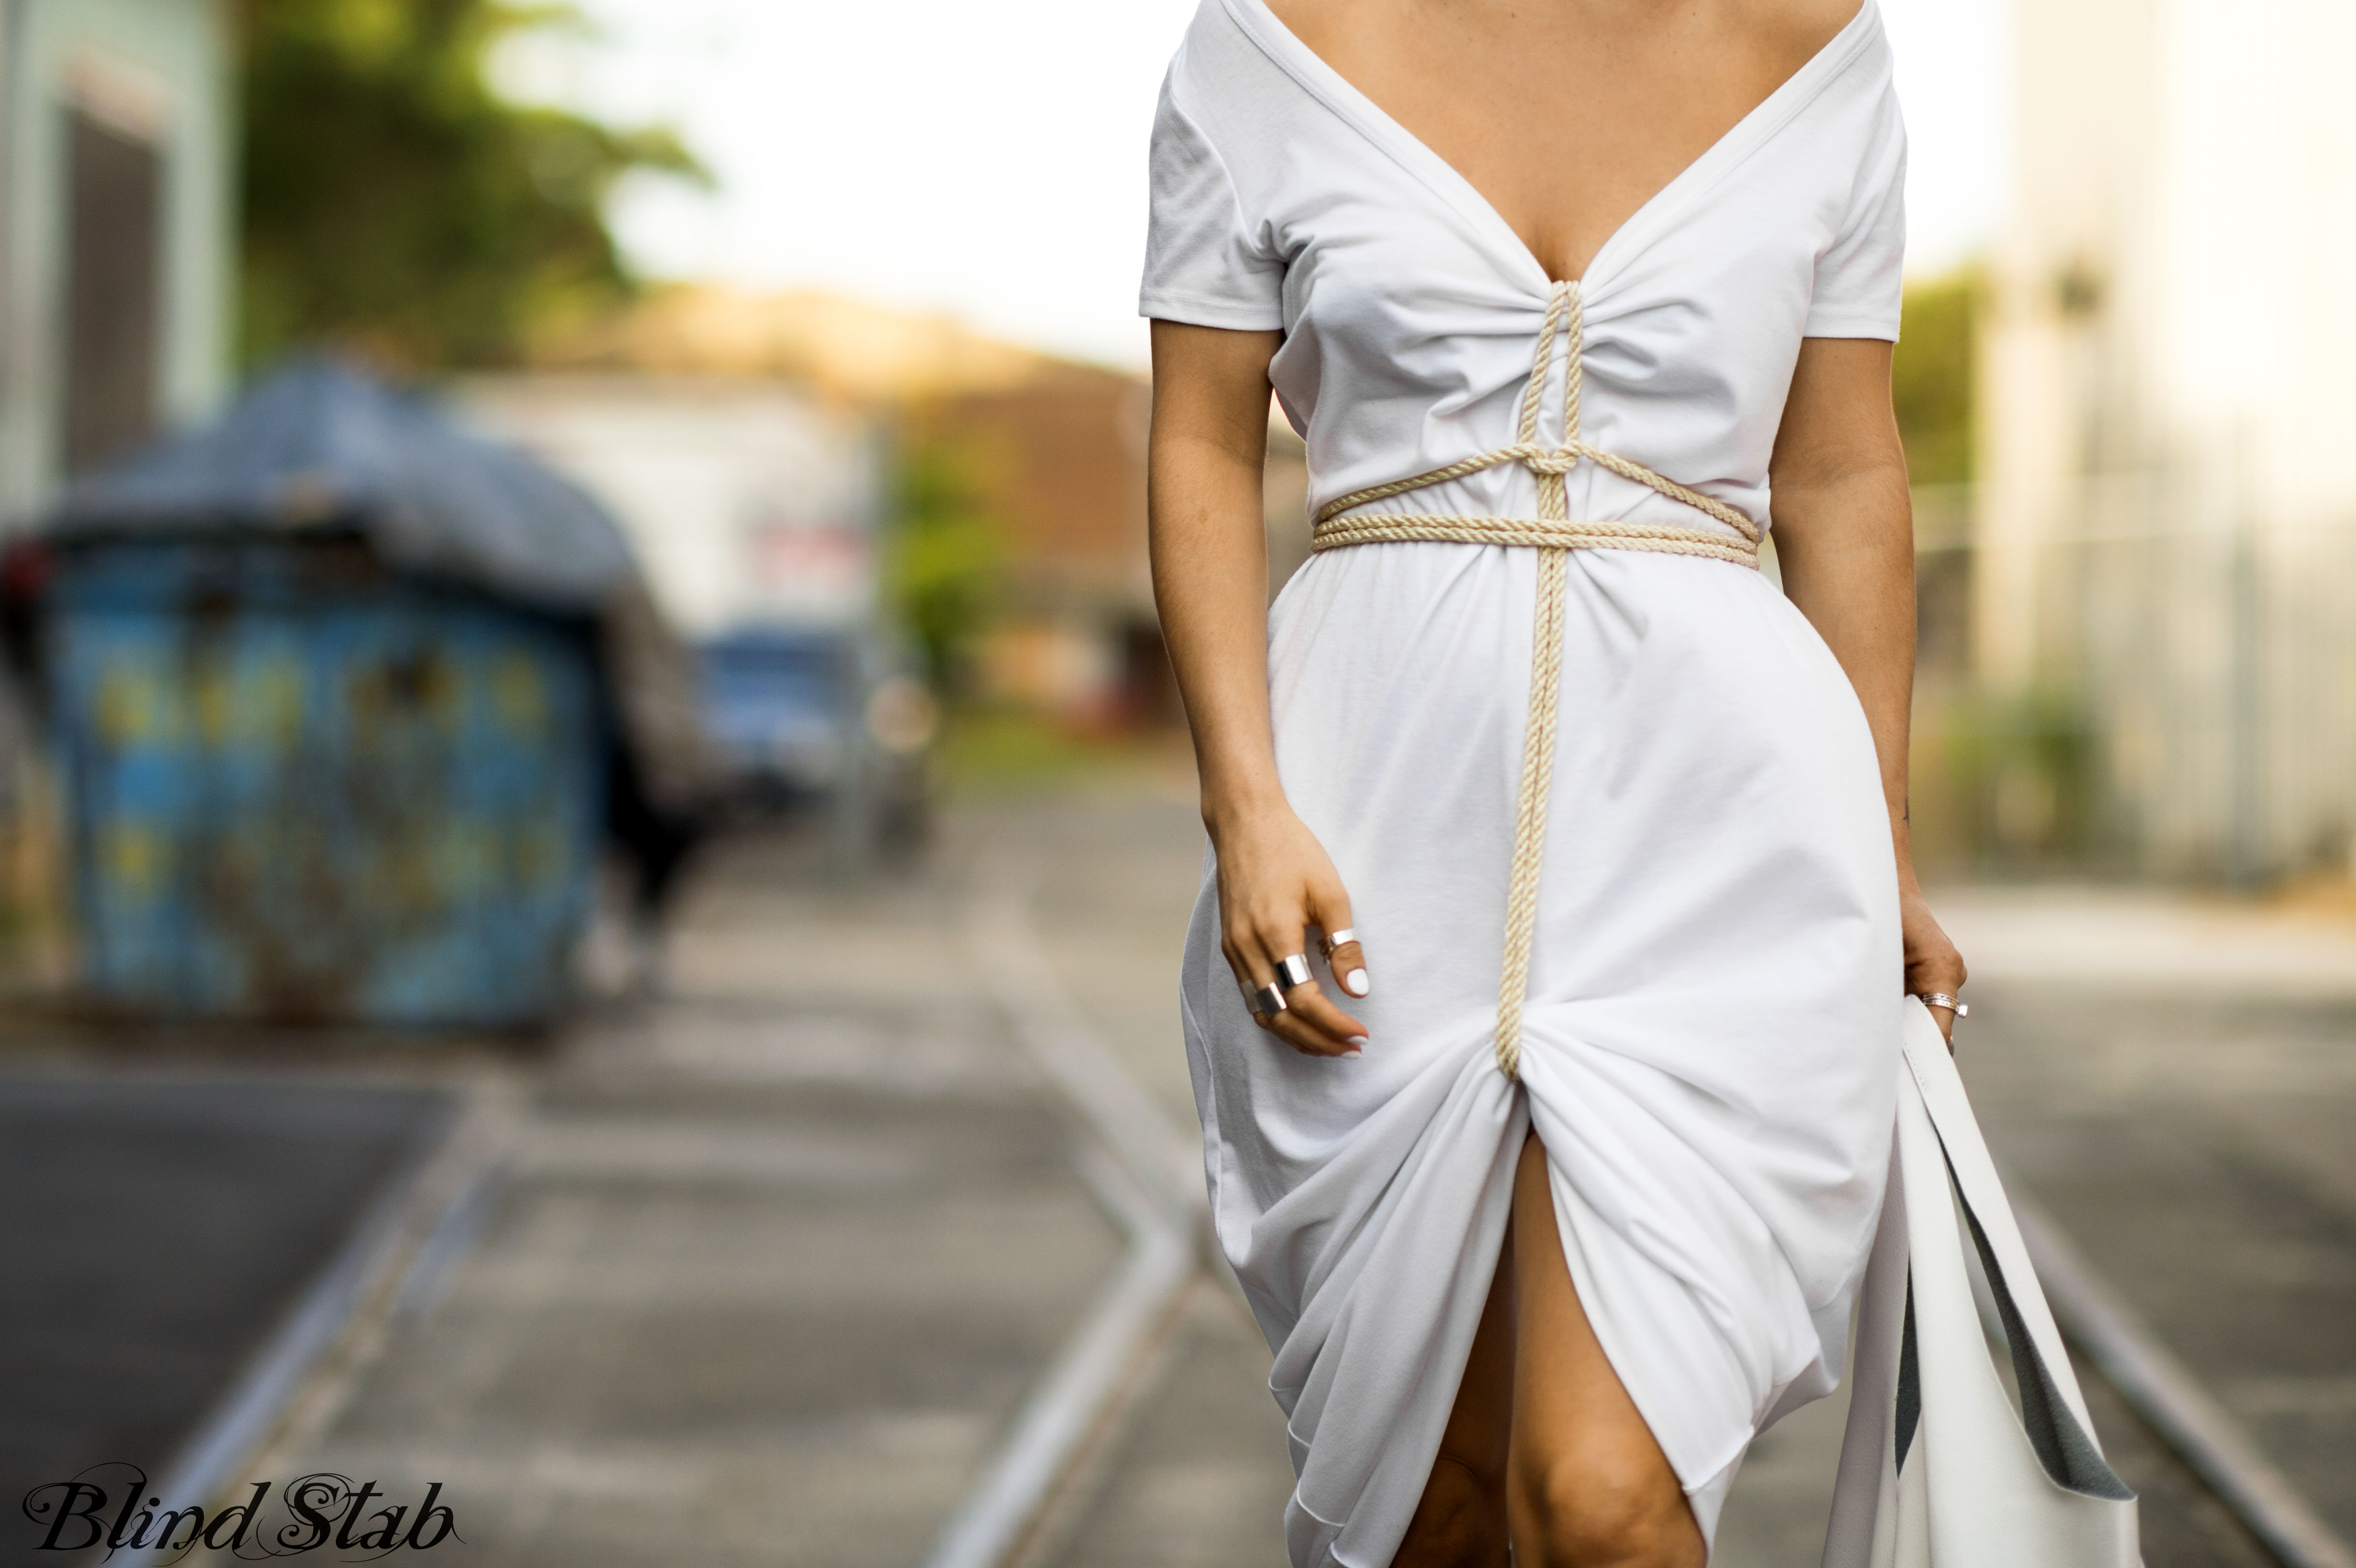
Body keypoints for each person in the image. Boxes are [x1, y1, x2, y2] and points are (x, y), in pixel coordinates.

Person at [1141, 1, 1969, 1564]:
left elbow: (1843, 469)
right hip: (1377, 823)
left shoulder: (1822, 49)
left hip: (1728, 835)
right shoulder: (1266, 41)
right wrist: (1246, 807)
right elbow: (1199, 440)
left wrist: (1890, 846)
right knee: (1432, 1508)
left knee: (1601, 1508)